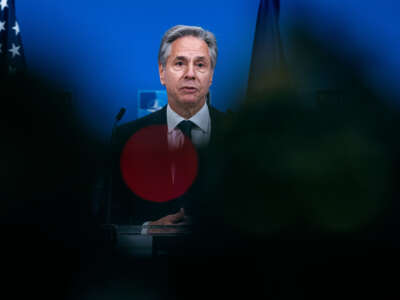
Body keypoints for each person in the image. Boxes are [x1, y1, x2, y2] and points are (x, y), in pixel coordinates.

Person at [110, 25, 226, 226]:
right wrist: (147, 231)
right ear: (162, 72)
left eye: (200, 65)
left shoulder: (241, 136)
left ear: (211, 75)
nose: (190, 74)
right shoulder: (126, 138)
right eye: (180, 63)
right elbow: (111, 217)